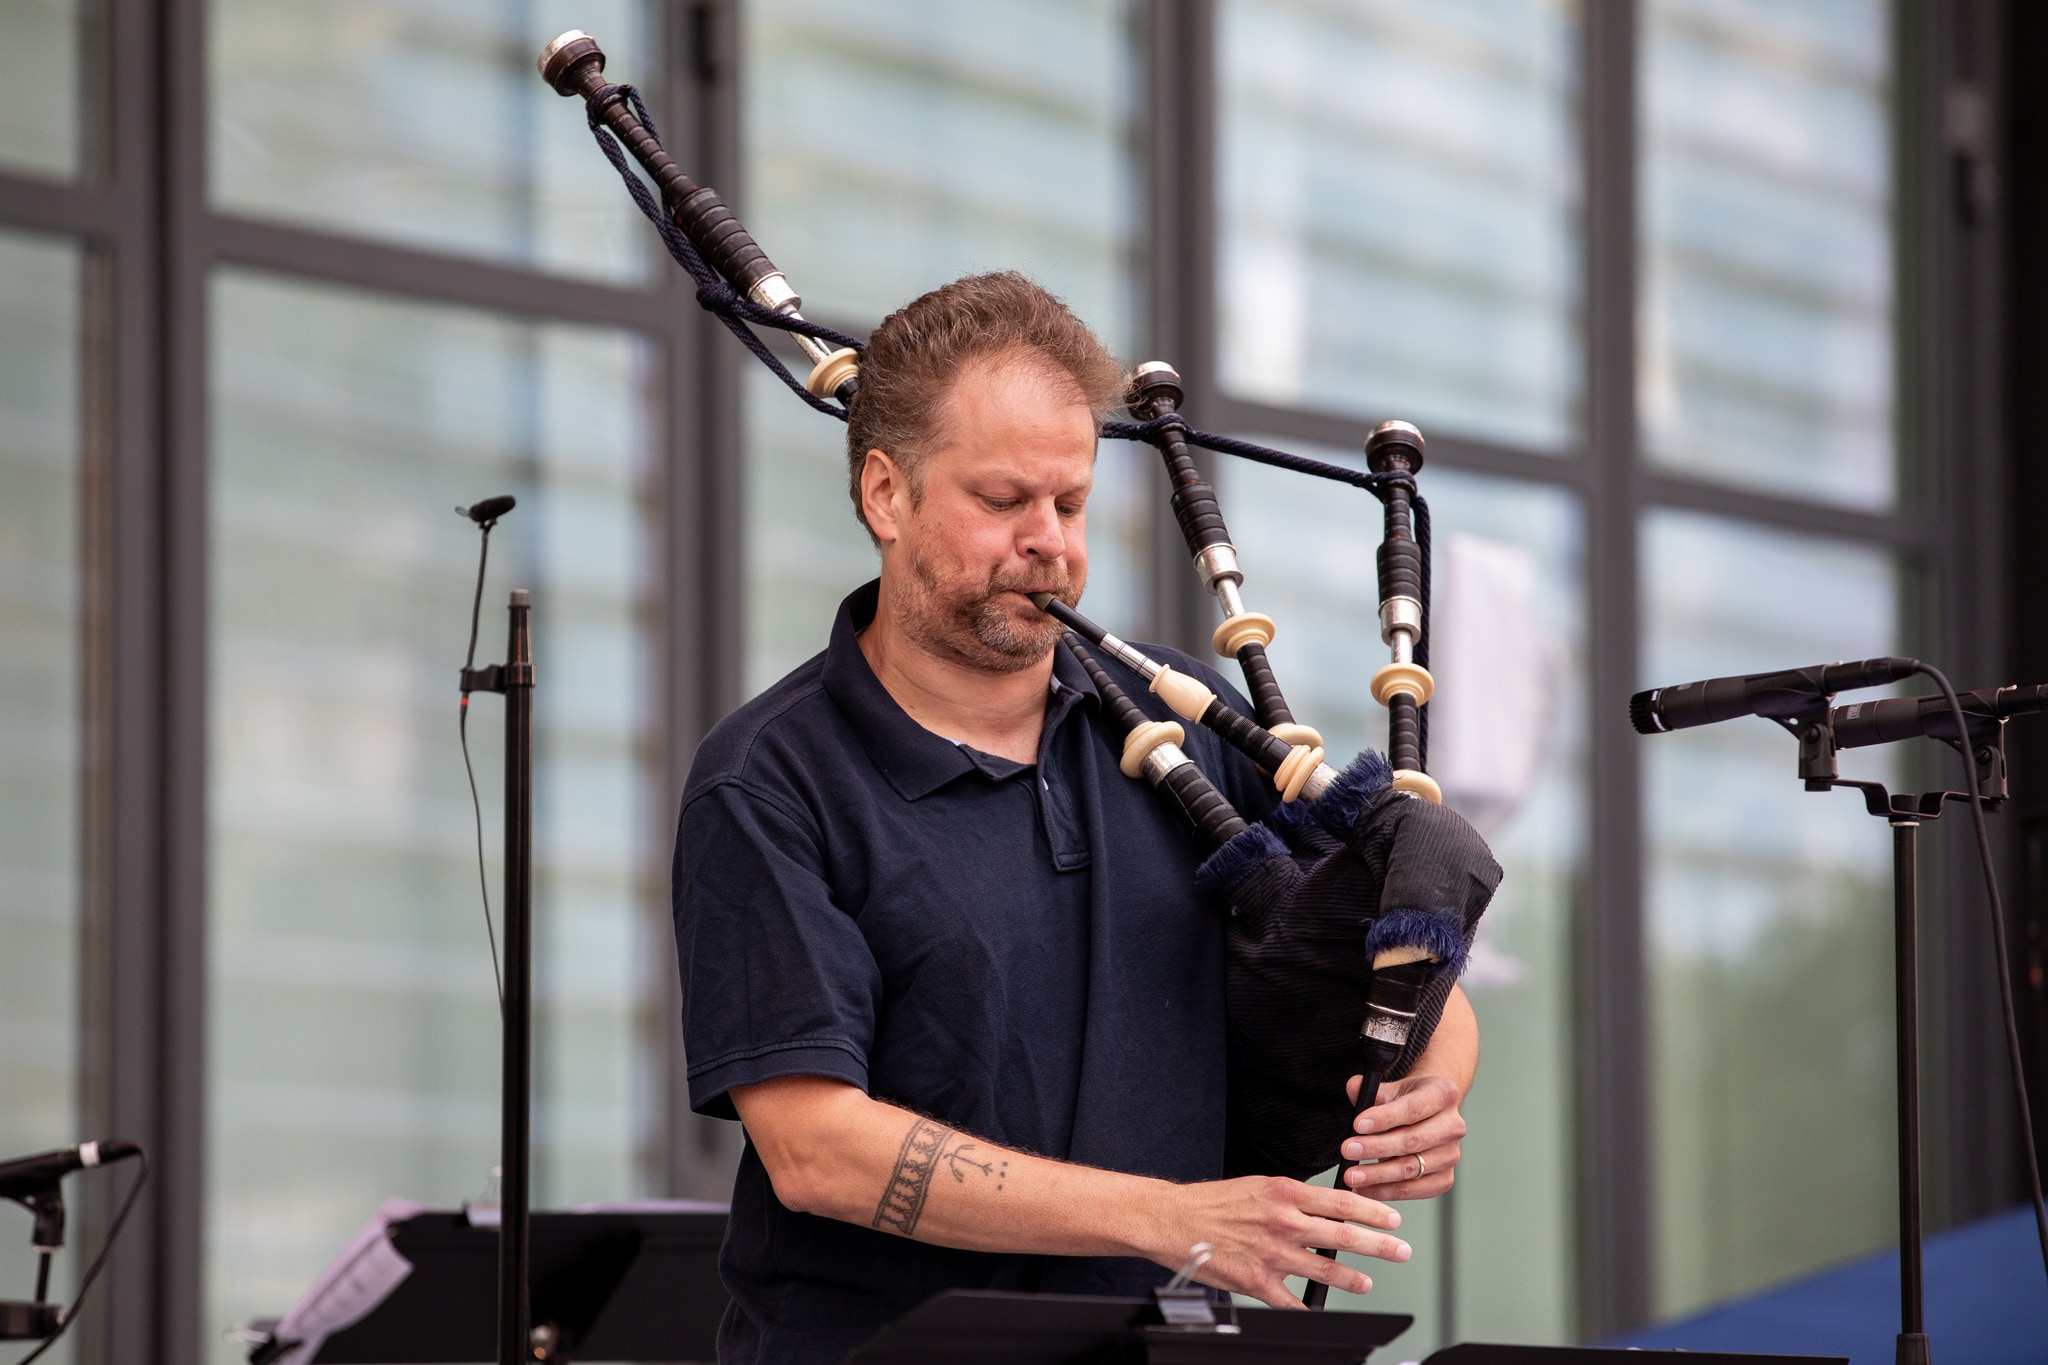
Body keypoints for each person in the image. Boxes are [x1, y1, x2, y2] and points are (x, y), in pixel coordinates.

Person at [673, 272, 1479, 1364]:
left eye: (1070, 502)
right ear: (885, 495)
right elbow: (816, 1148)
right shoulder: (769, 781)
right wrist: (1169, 1217)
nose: (1047, 541)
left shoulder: (1186, 719)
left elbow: (1401, 957)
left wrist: (1428, 1085)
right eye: (1003, 500)